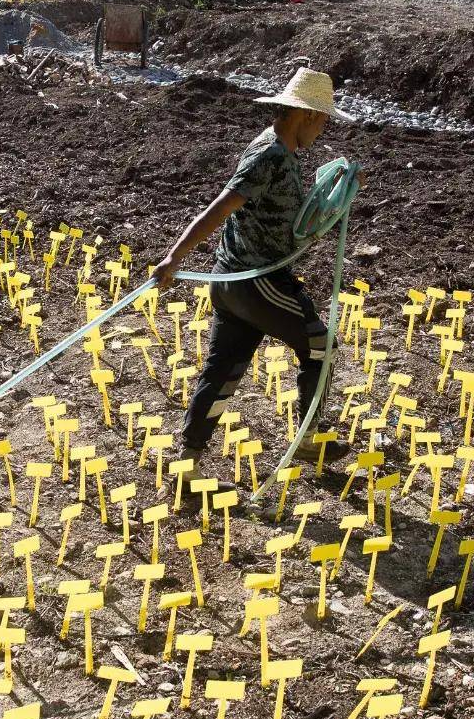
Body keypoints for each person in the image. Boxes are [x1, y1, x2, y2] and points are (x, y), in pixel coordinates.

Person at [153, 67, 358, 481]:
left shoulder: (276, 149)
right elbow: (222, 205)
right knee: (321, 345)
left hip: (231, 280)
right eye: (323, 122)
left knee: (223, 369)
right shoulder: (272, 156)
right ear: (308, 116)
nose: (322, 132)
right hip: (257, 282)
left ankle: (187, 466)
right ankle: (308, 438)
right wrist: (175, 258)